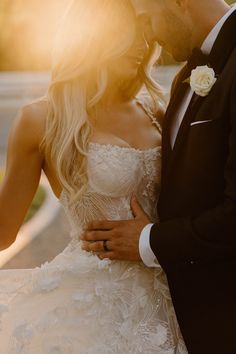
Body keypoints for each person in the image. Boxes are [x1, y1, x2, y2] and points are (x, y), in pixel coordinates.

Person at [0, 0, 187, 352]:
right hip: (86, 311)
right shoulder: (40, 120)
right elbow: (3, 230)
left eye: (144, 37)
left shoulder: (158, 110)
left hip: (168, 297)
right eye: (128, 37)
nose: (142, 48)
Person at [82, 0, 236, 353]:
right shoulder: (186, 77)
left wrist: (149, 241)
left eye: (147, 20)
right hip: (176, 321)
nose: (147, 36)